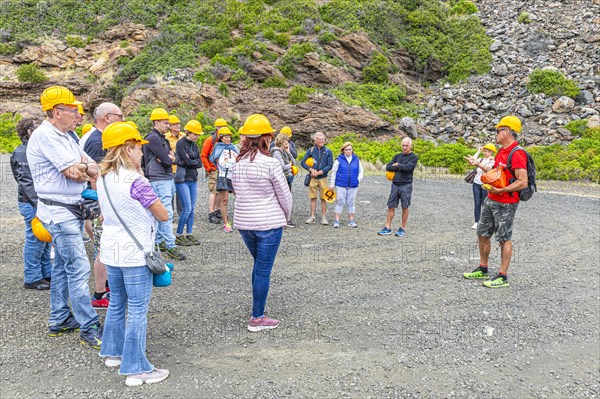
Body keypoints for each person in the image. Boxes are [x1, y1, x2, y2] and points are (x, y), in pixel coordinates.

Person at [26, 85, 102, 348]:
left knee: (62, 266)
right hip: (59, 213)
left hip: (66, 210)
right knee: (78, 268)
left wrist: (85, 168)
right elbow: (75, 172)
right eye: (72, 110)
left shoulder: (66, 136)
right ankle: (88, 325)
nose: (77, 115)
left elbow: (91, 166)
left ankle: (59, 318)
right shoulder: (46, 135)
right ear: (57, 112)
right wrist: (84, 169)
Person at [96, 121, 170, 386]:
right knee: (138, 309)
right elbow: (162, 214)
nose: (142, 153)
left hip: (111, 249)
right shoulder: (136, 180)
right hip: (136, 252)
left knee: (117, 302)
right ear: (128, 149)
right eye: (139, 148)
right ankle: (136, 367)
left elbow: (105, 214)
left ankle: (113, 353)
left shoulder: (102, 178)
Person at [232, 114, 292, 332]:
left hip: (245, 223)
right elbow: (285, 196)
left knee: (259, 266)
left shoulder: (236, 163)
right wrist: (286, 217)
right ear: (266, 137)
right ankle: (257, 317)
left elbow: (237, 192)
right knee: (263, 269)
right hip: (268, 224)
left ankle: (258, 309)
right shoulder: (270, 164)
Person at [463, 116, 528, 288]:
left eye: (498, 130)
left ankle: (502, 276)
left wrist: (500, 190)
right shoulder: (501, 151)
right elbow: (495, 172)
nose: (496, 134)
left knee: (504, 238)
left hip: (506, 202)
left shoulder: (517, 153)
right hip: (491, 199)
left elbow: (523, 181)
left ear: (507, 131)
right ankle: (483, 268)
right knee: (482, 233)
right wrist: (478, 164)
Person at [83, 102, 124, 308]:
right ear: (107, 117)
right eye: (120, 115)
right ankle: (99, 294)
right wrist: (103, 207)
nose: (122, 119)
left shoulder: (99, 138)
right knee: (102, 249)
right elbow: (95, 177)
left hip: (102, 203)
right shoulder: (96, 141)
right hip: (100, 205)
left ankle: (106, 286)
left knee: (105, 248)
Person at [10, 117, 51, 290]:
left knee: (45, 238)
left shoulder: (33, 149)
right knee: (35, 239)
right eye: (37, 127)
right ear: (29, 132)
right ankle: (32, 277)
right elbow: (26, 182)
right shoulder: (22, 152)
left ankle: (46, 272)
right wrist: (39, 205)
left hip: (39, 202)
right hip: (32, 203)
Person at [142, 108, 186, 261]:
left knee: (165, 211)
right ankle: (170, 245)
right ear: (156, 122)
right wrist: (169, 158)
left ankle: (160, 241)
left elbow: (171, 158)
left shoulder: (161, 138)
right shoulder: (153, 138)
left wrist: (169, 157)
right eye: (166, 123)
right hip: (159, 179)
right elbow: (168, 160)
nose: (169, 126)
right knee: (166, 212)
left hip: (165, 177)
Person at [378, 137, 418, 237]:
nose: (404, 147)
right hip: (395, 185)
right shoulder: (397, 156)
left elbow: (408, 167)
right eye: (403, 145)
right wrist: (400, 166)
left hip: (406, 185)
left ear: (410, 146)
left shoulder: (413, 157)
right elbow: (388, 167)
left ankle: (402, 228)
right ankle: (387, 227)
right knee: (390, 206)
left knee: (405, 206)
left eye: (406, 146)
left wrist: (398, 165)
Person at [174, 120, 203, 246]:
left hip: (192, 179)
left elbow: (199, 162)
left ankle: (189, 234)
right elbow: (188, 161)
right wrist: (192, 161)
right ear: (188, 132)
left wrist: (191, 161)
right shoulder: (180, 143)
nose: (197, 136)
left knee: (191, 209)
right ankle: (179, 235)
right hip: (182, 179)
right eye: (195, 134)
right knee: (186, 209)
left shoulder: (194, 145)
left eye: (198, 134)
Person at [300, 132, 333, 225]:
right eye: (320, 139)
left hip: (323, 178)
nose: (322, 141)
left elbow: (330, 165)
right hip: (312, 178)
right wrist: (311, 170)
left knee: (323, 198)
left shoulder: (328, 151)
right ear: (315, 140)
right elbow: (303, 162)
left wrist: (320, 172)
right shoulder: (311, 150)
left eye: (323, 139)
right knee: (313, 197)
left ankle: (324, 218)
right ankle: (312, 216)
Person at [328, 142, 364, 228]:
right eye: (346, 150)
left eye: (349, 149)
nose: (348, 151)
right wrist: (332, 184)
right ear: (343, 151)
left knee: (351, 202)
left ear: (352, 150)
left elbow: (361, 172)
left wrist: (358, 180)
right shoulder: (338, 160)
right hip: (341, 184)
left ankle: (351, 221)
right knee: (340, 201)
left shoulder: (356, 159)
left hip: (353, 185)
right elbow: (333, 172)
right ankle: (337, 221)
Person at [210, 127, 238, 233]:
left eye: (229, 136)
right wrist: (232, 163)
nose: (228, 139)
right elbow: (221, 163)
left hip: (234, 176)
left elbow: (237, 160)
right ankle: (226, 223)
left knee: (240, 197)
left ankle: (240, 220)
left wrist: (231, 163)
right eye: (226, 137)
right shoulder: (218, 148)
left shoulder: (233, 148)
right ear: (221, 138)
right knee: (225, 200)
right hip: (223, 176)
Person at [201, 118, 228, 224]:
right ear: (216, 127)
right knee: (213, 191)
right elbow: (203, 155)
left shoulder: (224, 140)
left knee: (220, 191)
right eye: (220, 127)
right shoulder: (210, 140)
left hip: (223, 170)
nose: (222, 129)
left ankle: (217, 211)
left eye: (224, 127)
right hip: (214, 169)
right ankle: (211, 213)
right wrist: (209, 168)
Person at [469, 143, 496, 229]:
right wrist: (478, 151)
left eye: (486, 151)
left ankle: (485, 221)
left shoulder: (492, 161)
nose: (484, 153)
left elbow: (488, 169)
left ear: (491, 152)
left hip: (485, 185)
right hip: (476, 184)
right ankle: (477, 221)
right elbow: (472, 160)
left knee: (484, 204)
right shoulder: (480, 160)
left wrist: (478, 163)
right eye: (484, 151)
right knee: (477, 203)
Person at [167, 115, 183, 215]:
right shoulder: (165, 137)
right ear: (170, 126)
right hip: (171, 169)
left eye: (178, 124)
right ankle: (170, 215)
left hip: (182, 169)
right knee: (170, 193)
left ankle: (182, 214)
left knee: (181, 194)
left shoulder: (184, 136)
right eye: (175, 124)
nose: (178, 126)